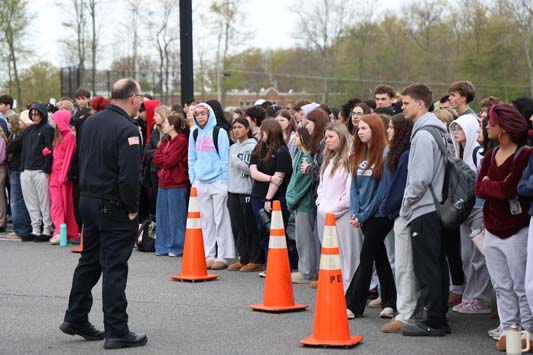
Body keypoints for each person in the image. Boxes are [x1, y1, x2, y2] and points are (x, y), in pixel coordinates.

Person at [60, 78, 147, 349]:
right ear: (132, 97)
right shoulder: (127, 128)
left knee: (90, 261)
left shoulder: (89, 122)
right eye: (141, 97)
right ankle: (117, 329)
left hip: (88, 199)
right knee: (114, 267)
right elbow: (129, 175)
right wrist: (133, 208)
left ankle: (76, 317)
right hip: (113, 204)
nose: (142, 101)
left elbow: (82, 161)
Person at [479, 104, 532, 351]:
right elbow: (479, 188)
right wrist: (495, 186)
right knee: (501, 284)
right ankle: (508, 328)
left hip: (516, 228)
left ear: (503, 128)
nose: (488, 126)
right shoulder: (489, 155)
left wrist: (494, 185)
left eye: (491, 123)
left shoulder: (525, 154)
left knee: (521, 285)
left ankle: (528, 331)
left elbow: (510, 189)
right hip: (491, 227)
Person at [399, 84, 449, 337]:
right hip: (438, 207)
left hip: (425, 208)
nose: (402, 106)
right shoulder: (437, 131)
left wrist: (406, 206)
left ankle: (434, 321)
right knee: (437, 264)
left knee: (427, 266)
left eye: (406, 102)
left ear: (421, 104)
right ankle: (438, 317)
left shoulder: (423, 135)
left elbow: (419, 179)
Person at [345, 114, 396, 319]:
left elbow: (382, 192)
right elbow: (354, 188)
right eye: (359, 129)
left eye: (364, 128)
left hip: (380, 215)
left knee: (366, 256)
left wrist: (364, 215)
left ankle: (354, 305)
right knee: (379, 256)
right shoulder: (358, 153)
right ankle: (390, 302)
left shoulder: (386, 154)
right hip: (363, 215)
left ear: (375, 129)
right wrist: (355, 212)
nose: (360, 132)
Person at [448, 114, 494, 315]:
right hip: (464, 211)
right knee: (466, 256)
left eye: (459, 128)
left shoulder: (477, 151)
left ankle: (482, 298)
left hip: (477, 209)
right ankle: (470, 295)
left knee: (478, 256)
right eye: (454, 128)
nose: (456, 132)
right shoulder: (460, 152)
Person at [380, 114, 419, 333]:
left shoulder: (405, 155)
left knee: (404, 266)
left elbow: (399, 188)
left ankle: (406, 314)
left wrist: (387, 208)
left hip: (403, 214)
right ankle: (407, 310)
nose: (389, 131)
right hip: (399, 213)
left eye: (393, 128)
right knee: (402, 264)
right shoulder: (400, 153)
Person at [188, 103, 235, 270]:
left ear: (209, 115)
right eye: (197, 114)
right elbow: (191, 158)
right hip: (200, 182)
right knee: (206, 220)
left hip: (217, 182)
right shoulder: (193, 133)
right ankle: (209, 254)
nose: (200, 117)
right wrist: (193, 179)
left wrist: (223, 181)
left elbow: (224, 158)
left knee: (221, 219)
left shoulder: (219, 133)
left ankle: (222, 255)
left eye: (203, 114)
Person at [316, 122, 359, 293]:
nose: (327, 141)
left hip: (344, 215)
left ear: (341, 137)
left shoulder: (351, 158)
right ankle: (338, 290)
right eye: (326, 137)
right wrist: (320, 204)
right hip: (327, 214)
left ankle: (350, 293)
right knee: (336, 256)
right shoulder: (329, 158)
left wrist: (334, 210)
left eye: (331, 137)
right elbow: (322, 187)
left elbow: (350, 192)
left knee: (350, 256)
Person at [250, 119, 296, 269]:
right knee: (262, 230)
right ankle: (270, 262)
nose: (260, 133)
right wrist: (269, 178)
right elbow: (253, 172)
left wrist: (269, 198)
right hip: (257, 195)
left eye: (263, 130)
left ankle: (281, 264)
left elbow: (280, 178)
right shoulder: (258, 148)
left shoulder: (282, 151)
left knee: (276, 231)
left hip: (276, 198)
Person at [226, 118, 263, 272]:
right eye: (234, 127)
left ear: (247, 129)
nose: (236, 130)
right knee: (237, 226)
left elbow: (250, 169)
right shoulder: (233, 147)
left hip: (246, 191)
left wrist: (236, 161)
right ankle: (243, 257)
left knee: (249, 226)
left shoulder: (253, 146)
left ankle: (256, 259)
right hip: (233, 191)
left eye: (240, 127)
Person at [152, 114, 189, 257]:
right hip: (164, 181)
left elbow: (170, 161)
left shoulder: (181, 140)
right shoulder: (166, 140)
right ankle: (162, 246)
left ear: (173, 125)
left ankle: (177, 247)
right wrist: (164, 159)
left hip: (176, 182)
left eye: (166, 122)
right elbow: (156, 157)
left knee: (176, 216)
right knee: (162, 216)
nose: (164, 125)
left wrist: (163, 159)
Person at [287, 127, 319, 284]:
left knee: (305, 239)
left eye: (297, 136)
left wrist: (291, 198)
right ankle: (304, 269)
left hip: (304, 203)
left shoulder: (306, 157)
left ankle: (308, 272)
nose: (294, 138)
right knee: (300, 238)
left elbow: (302, 182)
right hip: (298, 203)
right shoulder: (299, 154)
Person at [21, 104, 54, 242]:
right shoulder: (28, 130)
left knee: (44, 201)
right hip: (27, 169)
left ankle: (46, 229)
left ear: (43, 114)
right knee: (31, 202)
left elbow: (49, 150)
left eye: (37, 114)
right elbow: (24, 150)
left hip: (40, 170)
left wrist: (46, 169)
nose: (34, 117)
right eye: (32, 114)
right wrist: (22, 168)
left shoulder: (48, 129)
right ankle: (35, 229)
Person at [48, 110, 79, 245]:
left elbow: (68, 157)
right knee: (57, 204)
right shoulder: (58, 136)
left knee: (64, 205)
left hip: (62, 176)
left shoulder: (70, 136)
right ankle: (63, 231)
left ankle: (62, 232)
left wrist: (63, 175)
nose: (54, 123)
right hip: (55, 175)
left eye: (56, 120)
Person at [6, 113, 32, 240]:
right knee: (19, 200)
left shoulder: (22, 136)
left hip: (18, 169)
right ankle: (22, 229)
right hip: (18, 169)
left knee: (17, 201)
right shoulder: (17, 136)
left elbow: (9, 148)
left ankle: (22, 230)